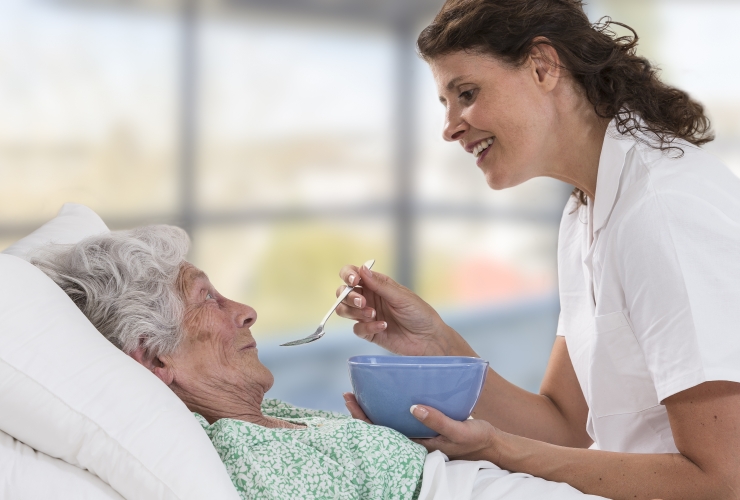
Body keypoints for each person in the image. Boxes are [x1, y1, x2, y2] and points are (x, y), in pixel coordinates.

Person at [336, 1, 740, 499]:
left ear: (543, 66)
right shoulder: (586, 209)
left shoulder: (664, 210)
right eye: (446, 103)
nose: (450, 126)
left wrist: (499, 449)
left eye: (466, 93)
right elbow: (565, 424)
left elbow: (724, 479)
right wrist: (437, 345)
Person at [31, 225, 604, 500]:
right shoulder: (242, 458)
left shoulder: (264, 416)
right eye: (209, 297)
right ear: (155, 358)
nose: (247, 310)